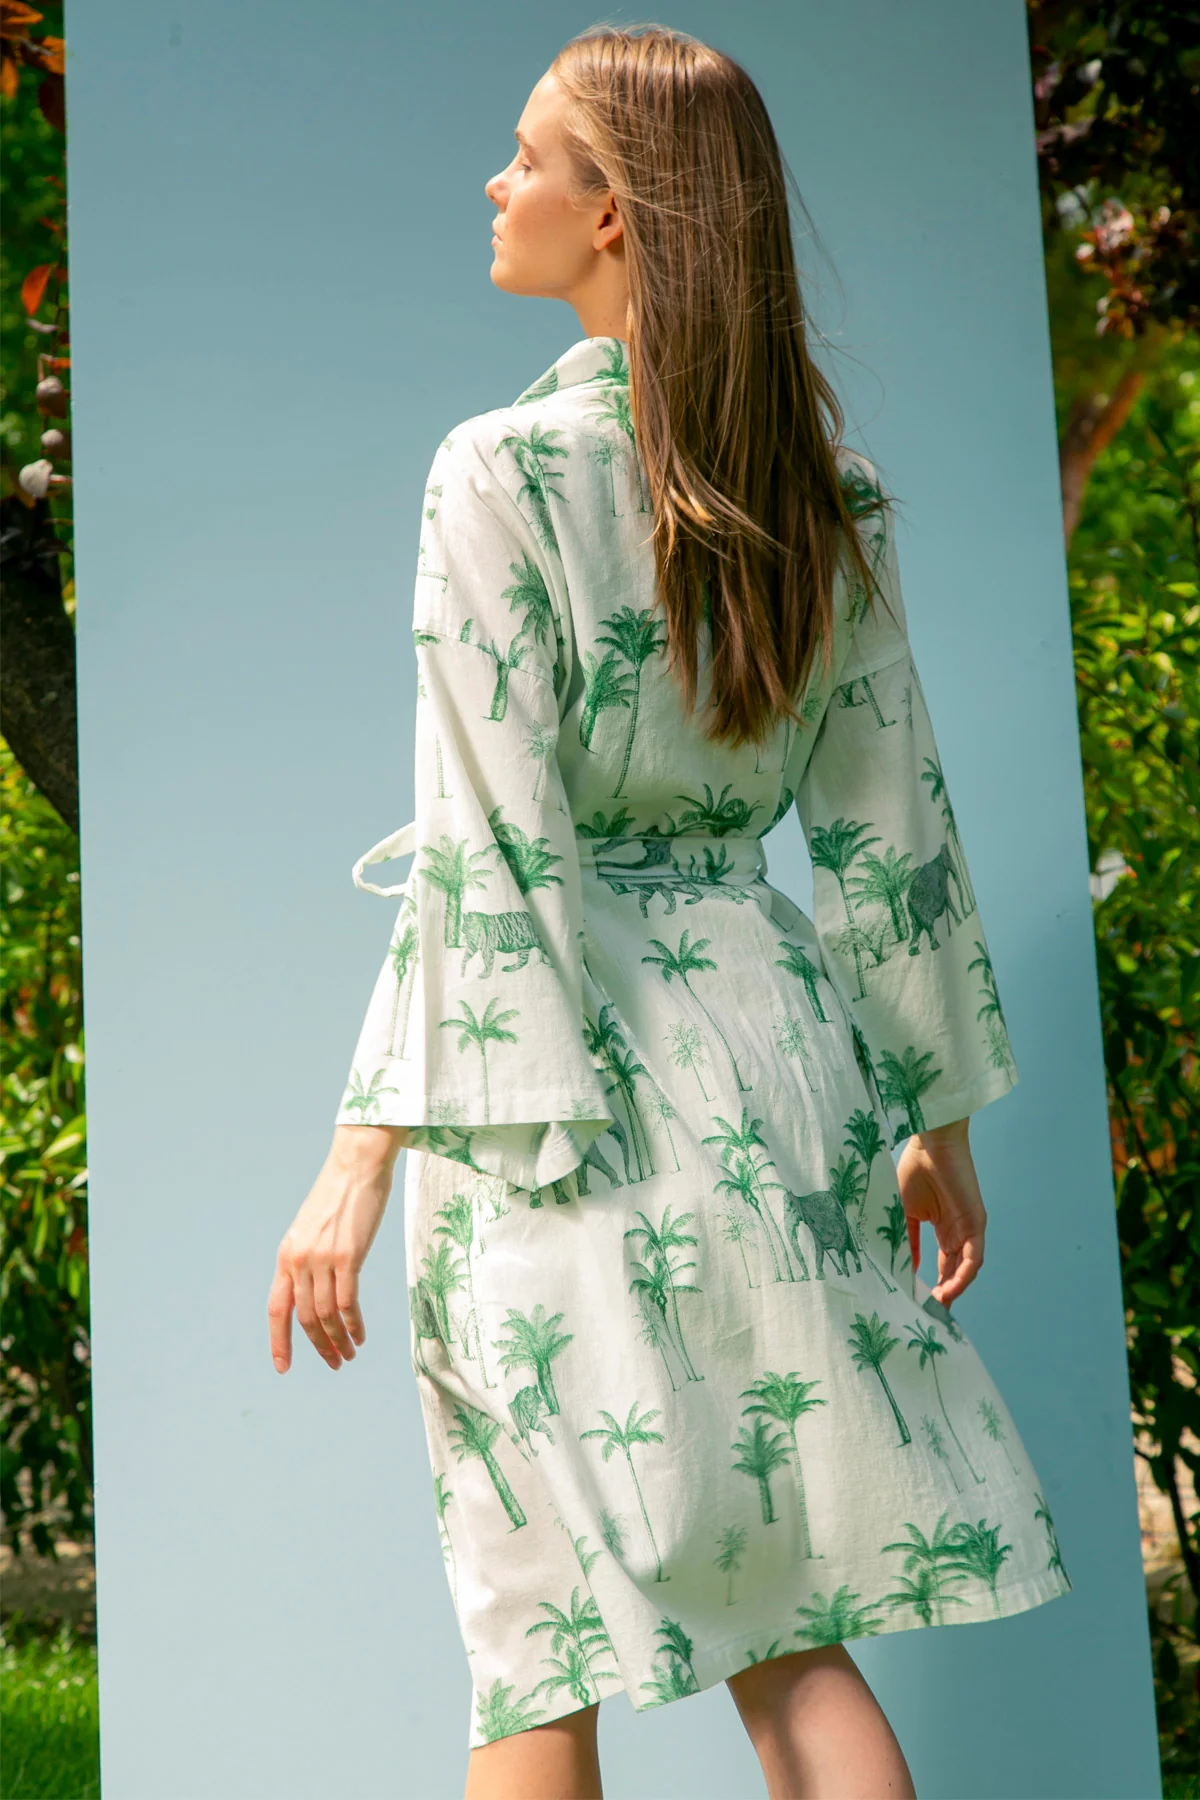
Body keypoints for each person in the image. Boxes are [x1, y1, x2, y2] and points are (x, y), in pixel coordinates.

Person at [267, 24, 1072, 1800]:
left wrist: (360, 1151)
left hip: (558, 1090)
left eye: (527, 156)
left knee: (536, 1638)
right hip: (774, 1067)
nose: (497, 184)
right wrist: (936, 1122)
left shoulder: (499, 473)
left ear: (615, 210)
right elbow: (890, 831)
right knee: (786, 1627)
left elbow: (489, 842)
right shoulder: (828, 499)